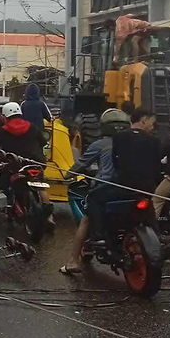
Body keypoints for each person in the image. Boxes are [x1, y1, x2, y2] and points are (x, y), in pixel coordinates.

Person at [60, 108, 129, 275]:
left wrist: (67, 175)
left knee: (86, 220)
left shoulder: (100, 144)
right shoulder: (132, 142)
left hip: (106, 188)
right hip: (132, 189)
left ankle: (72, 261)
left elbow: (80, 165)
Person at [84, 108, 162, 243]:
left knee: (93, 198)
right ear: (143, 120)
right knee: (149, 208)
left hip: (123, 187)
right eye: (152, 122)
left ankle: (98, 236)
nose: (152, 126)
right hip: (147, 188)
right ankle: (157, 237)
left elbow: (116, 162)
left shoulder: (120, 137)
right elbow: (157, 166)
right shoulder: (154, 140)